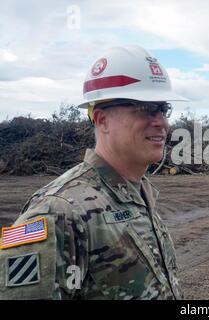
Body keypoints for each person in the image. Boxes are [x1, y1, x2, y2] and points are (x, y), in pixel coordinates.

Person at [0, 45, 187, 299]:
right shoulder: (56, 210)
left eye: (163, 109)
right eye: (145, 108)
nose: (162, 122)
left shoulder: (139, 193)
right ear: (102, 120)